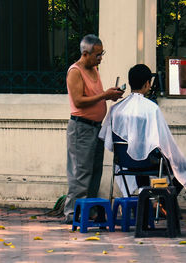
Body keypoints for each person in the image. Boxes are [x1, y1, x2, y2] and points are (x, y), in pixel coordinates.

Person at [99, 64, 186, 197]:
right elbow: (165, 141)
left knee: (140, 155)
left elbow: (108, 138)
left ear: (130, 82)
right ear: (147, 83)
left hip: (124, 161)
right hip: (147, 162)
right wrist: (176, 158)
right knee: (184, 168)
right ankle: (163, 202)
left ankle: (143, 204)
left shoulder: (116, 109)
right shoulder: (151, 109)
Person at [62, 34, 124, 224]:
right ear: (85, 53)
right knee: (81, 172)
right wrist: (104, 95)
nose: (100, 58)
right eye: (97, 55)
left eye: (101, 53)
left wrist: (109, 96)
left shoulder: (94, 69)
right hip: (81, 128)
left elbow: (95, 96)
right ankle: (72, 214)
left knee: (95, 171)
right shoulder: (75, 71)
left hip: (96, 128)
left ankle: (88, 211)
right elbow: (79, 101)